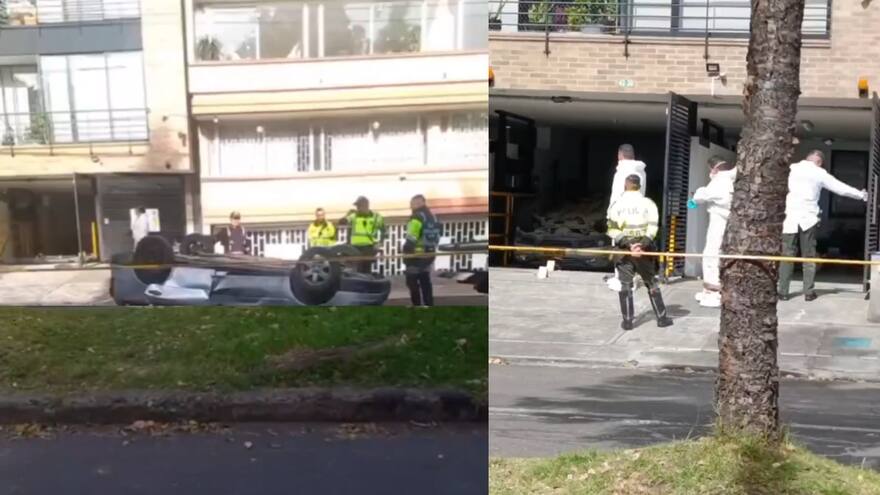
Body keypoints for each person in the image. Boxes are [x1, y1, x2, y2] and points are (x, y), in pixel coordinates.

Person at [779, 150, 867, 301]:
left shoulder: (792, 168)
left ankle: (783, 292)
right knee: (809, 257)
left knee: (787, 255)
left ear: (807, 158)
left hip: (790, 218)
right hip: (808, 219)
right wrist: (861, 195)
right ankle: (808, 292)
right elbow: (840, 188)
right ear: (819, 162)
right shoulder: (819, 173)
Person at [606, 174, 673, 330]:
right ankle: (662, 318)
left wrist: (629, 245)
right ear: (639, 185)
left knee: (626, 285)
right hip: (645, 251)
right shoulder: (648, 203)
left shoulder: (616, 205)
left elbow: (612, 229)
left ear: (625, 185)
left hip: (624, 251)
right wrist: (642, 245)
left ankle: (628, 321)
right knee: (651, 282)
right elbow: (653, 227)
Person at [689, 156, 737, 308]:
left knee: (711, 255)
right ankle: (711, 290)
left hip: (718, 223)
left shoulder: (719, 181)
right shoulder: (732, 180)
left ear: (714, 169)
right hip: (729, 223)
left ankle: (714, 292)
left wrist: (694, 198)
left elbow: (701, 196)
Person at [606, 144, 648, 293]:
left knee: (621, 248)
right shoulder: (641, 172)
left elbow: (617, 196)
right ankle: (632, 277)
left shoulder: (622, 172)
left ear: (619, 155)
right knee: (634, 248)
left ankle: (623, 281)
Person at [403, 194, 442, 307]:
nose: (411, 206)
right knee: (425, 280)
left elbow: (411, 237)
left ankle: (417, 305)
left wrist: (406, 254)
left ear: (420, 203)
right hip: (429, 254)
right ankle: (429, 305)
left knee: (412, 281)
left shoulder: (417, 217)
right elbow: (439, 234)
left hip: (416, 255)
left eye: (412, 203)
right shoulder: (434, 217)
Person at [338, 196, 385, 273]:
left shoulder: (376, 217)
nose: (357, 208)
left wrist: (380, 243)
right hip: (355, 248)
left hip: (369, 248)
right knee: (355, 271)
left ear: (365, 205)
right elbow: (343, 221)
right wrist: (345, 218)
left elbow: (384, 231)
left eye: (359, 206)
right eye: (357, 206)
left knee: (366, 271)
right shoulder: (354, 216)